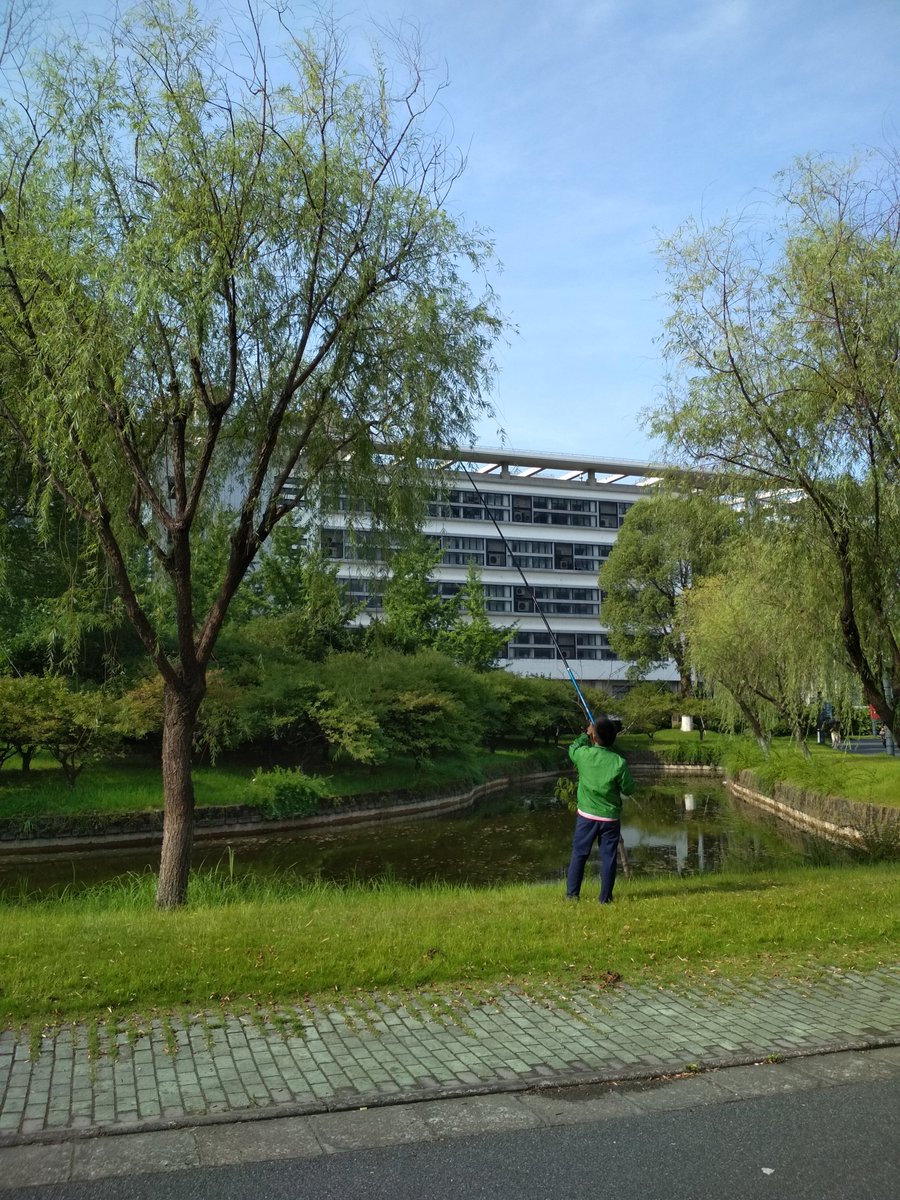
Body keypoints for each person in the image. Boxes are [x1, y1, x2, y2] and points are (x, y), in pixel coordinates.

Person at [565, 717, 635, 904]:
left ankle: (572, 896)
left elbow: (572, 749)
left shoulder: (583, 755)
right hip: (610, 819)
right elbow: (628, 789)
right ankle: (605, 898)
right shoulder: (618, 762)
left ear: (594, 737)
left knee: (579, 854)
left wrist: (584, 734)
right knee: (608, 857)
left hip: (586, 816)